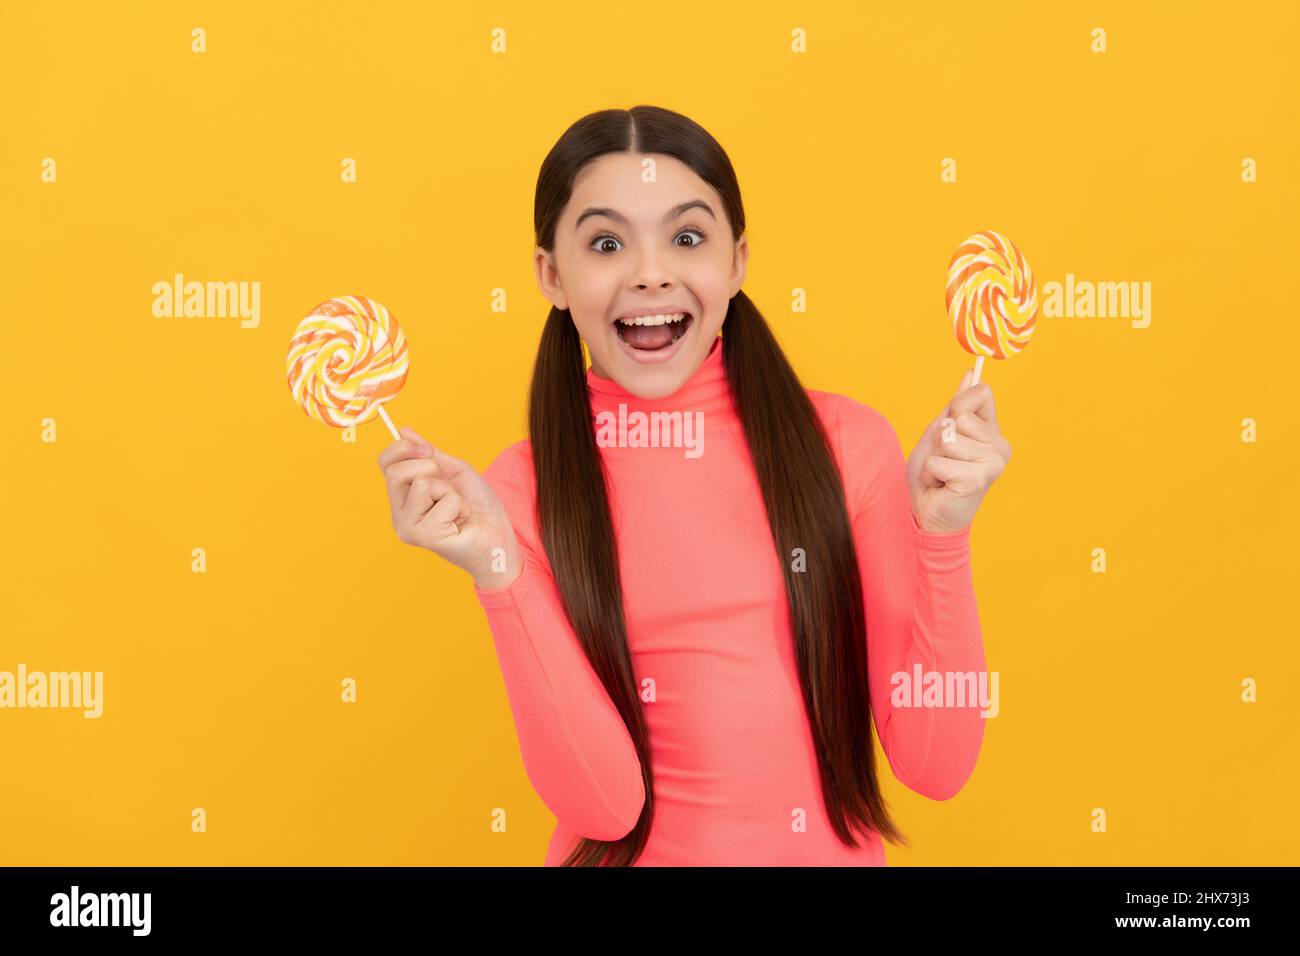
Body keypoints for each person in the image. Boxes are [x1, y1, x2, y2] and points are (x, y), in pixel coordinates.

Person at [377, 105, 1010, 866]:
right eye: (607, 243)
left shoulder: (846, 446)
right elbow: (603, 807)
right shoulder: (517, 491)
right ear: (551, 273)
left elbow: (937, 765)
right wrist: (497, 572)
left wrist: (942, 536)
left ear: (738, 261)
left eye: (686, 237)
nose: (651, 272)